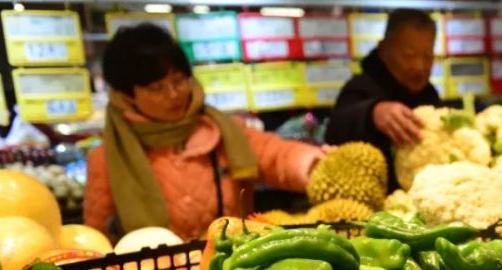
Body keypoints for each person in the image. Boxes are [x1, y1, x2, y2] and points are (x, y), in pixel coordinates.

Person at [85, 24, 327, 240]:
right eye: (157, 88)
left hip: (233, 265)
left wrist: (317, 165)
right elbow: (95, 239)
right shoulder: (107, 159)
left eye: (179, 80)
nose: (173, 94)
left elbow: (275, 154)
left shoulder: (224, 132)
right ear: (127, 96)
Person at [325, 9, 442, 187]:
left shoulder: (430, 93)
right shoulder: (360, 86)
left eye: (427, 56)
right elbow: (335, 129)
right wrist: (372, 112)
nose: (420, 66)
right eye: (409, 55)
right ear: (384, 50)